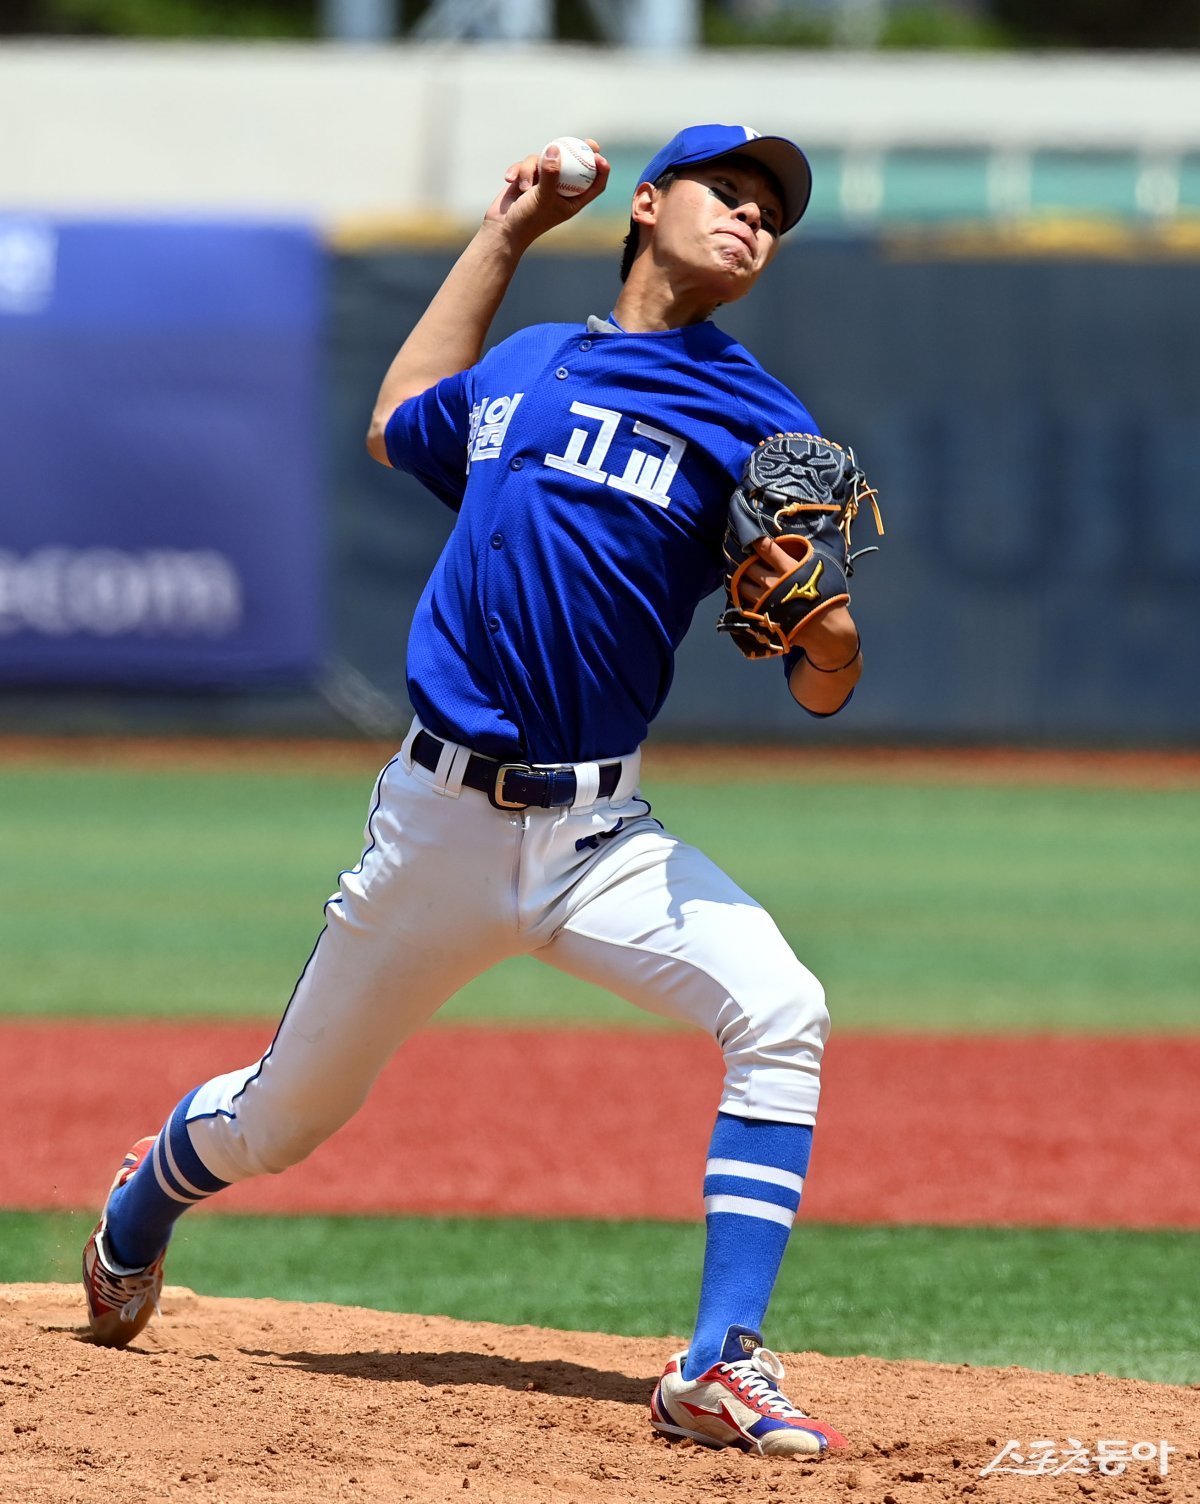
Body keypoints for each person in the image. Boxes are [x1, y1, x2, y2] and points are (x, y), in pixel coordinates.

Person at [83, 125, 863, 1459]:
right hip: (436, 827)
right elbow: (398, 424)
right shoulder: (532, 363)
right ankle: (140, 1208)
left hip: (600, 837)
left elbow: (822, 683)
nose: (751, 219)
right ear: (647, 204)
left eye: (771, 213)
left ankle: (718, 1363)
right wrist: (506, 231)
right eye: (727, 191)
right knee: (282, 1122)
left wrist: (829, 640)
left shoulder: (763, 420)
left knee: (783, 1008)